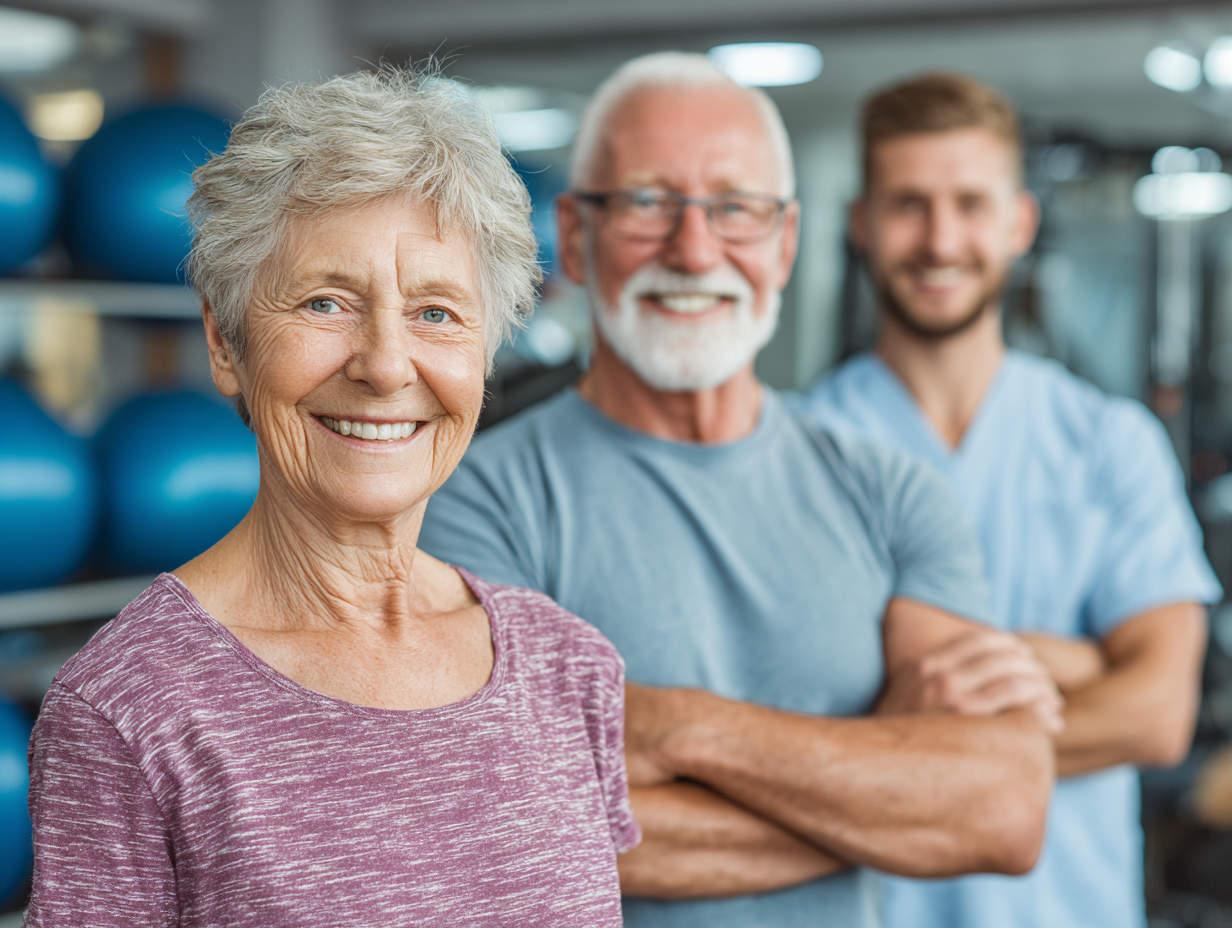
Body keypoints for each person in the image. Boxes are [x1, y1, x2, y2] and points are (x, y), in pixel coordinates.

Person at [419, 52, 1058, 928]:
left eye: (736, 208)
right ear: (572, 236)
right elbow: (497, 827)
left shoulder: (888, 492)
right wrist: (886, 791)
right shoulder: (476, 503)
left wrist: (670, 727)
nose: (694, 248)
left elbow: (1000, 809)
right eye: (647, 202)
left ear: (786, 240)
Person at [24, 67, 639, 928]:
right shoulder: (130, 707)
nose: (386, 365)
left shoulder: (568, 667)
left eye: (435, 313)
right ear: (225, 341)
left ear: (486, 354)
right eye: (326, 302)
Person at [806, 73, 1222, 928]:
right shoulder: (794, 449)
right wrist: (1074, 660)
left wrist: (892, 723)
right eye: (908, 205)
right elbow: (784, 714)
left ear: (1018, 222)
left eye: (969, 202)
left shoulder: (1110, 440)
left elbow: (1156, 715)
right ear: (861, 224)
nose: (941, 238)